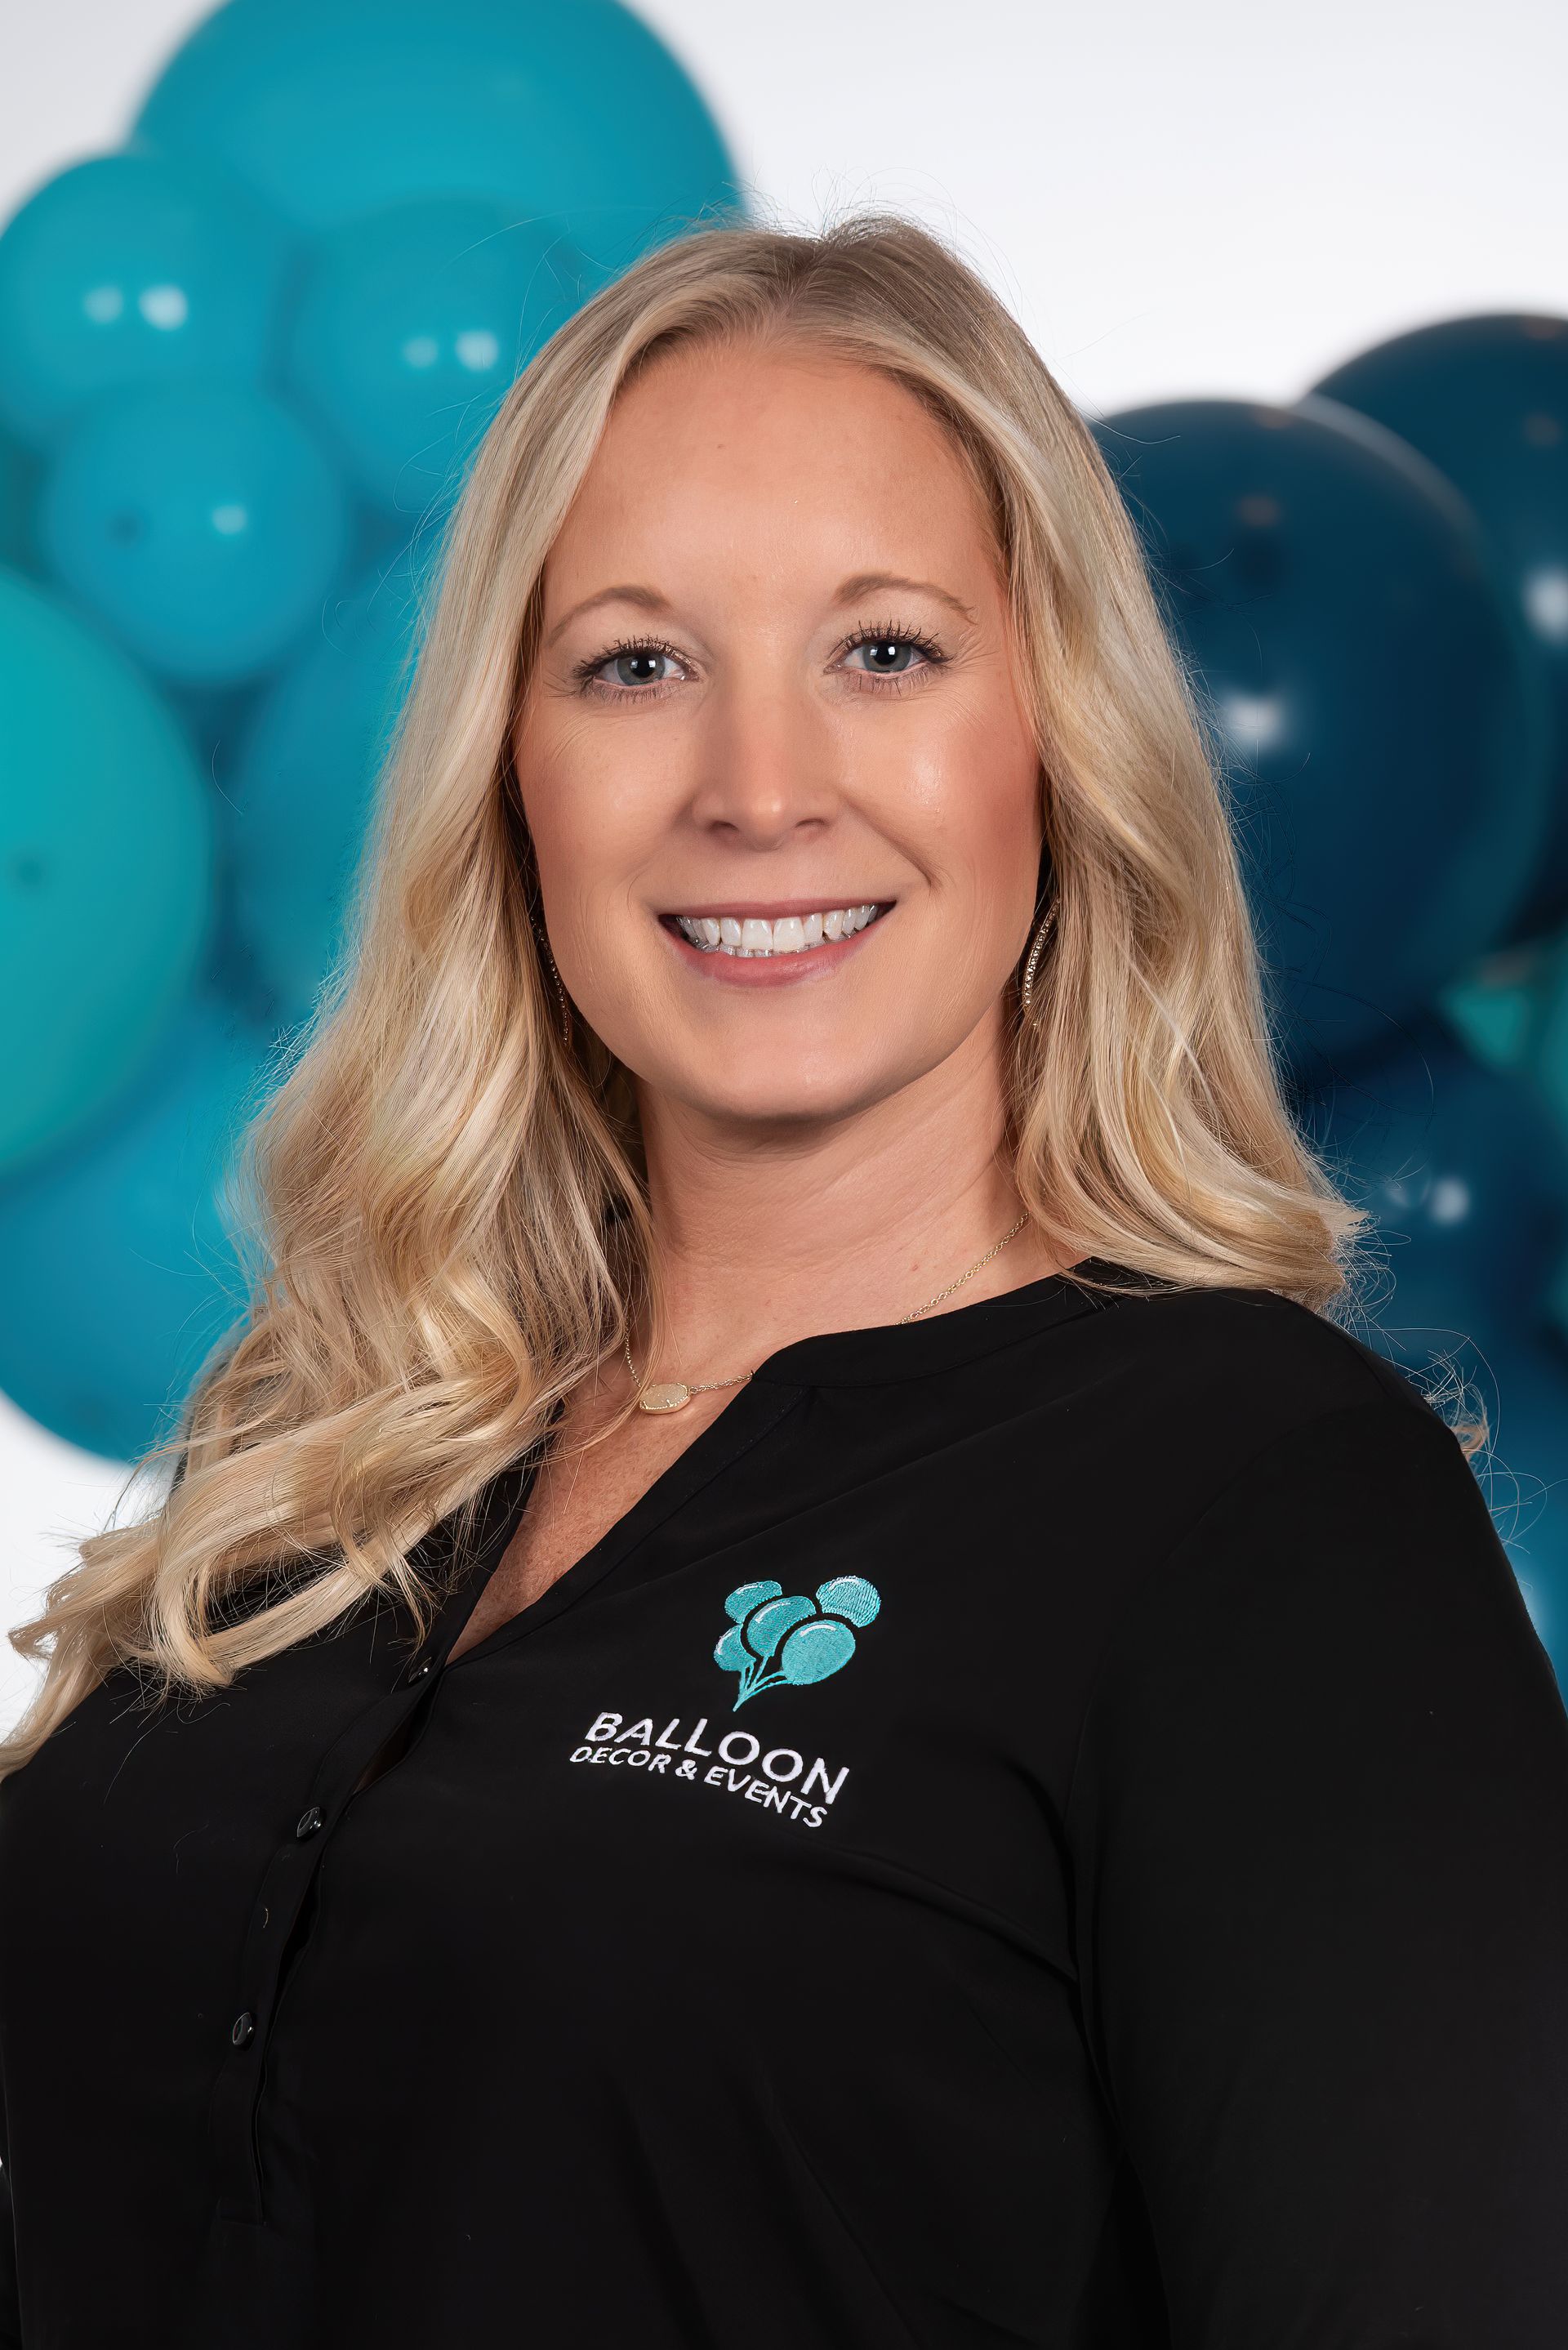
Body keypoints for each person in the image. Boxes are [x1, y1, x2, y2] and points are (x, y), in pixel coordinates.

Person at [2, 212, 1565, 2350]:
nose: (758, 790)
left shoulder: (1269, 1513)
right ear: (510, 771)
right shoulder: (328, 1427)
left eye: (886, 652)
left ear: (1060, 742)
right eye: (637, 662)